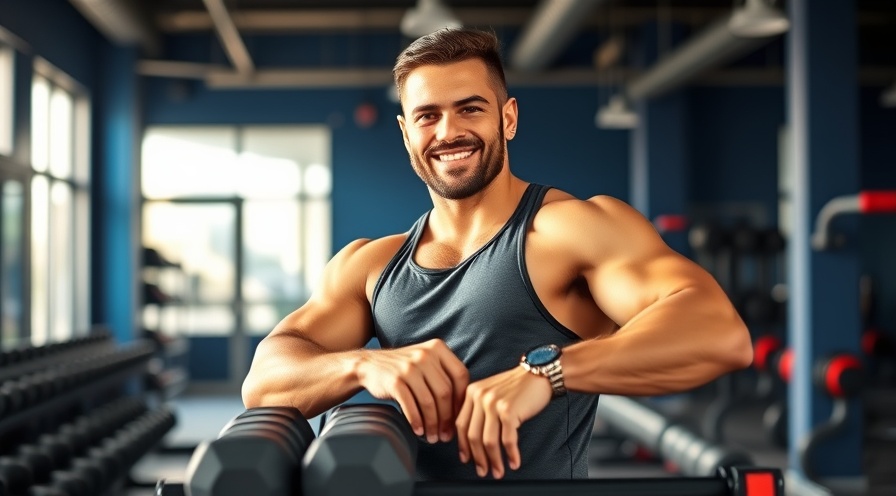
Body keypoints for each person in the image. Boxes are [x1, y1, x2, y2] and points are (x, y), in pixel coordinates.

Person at [242, 27, 752, 481]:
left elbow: (718, 333)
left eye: (470, 108)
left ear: (507, 118)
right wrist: (362, 367)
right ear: (405, 133)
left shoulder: (568, 230)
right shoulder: (370, 264)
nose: (448, 133)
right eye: (427, 116)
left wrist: (547, 372)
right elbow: (264, 384)